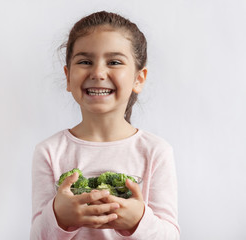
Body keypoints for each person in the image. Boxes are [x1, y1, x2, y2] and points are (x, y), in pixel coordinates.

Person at [30, 11, 180, 240]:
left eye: (114, 62)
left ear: (138, 79)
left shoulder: (155, 152)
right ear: (68, 77)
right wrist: (59, 216)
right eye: (85, 61)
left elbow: (170, 236)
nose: (98, 73)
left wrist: (139, 220)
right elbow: (37, 236)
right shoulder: (49, 151)